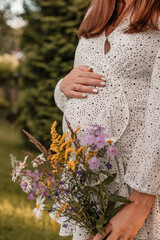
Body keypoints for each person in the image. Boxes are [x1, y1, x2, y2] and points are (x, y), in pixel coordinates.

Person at [50, 0, 160, 239]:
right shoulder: (97, 9)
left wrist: (141, 200)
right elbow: (79, 96)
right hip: (90, 175)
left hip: (139, 177)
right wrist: (62, 87)